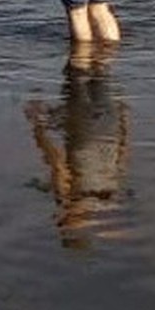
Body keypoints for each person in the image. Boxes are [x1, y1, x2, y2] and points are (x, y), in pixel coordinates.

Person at [25, 42, 130, 250]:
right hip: (84, 129)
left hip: (108, 127)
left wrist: (124, 121)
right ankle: (86, 32)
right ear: (70, 224)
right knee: (76, 72)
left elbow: (122, 158)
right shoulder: (68, 198)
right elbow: (57, 162)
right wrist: (38, 127)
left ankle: (94, 33)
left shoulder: (109, 198)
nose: (57, 219)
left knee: (101, 70)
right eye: (62, 224)